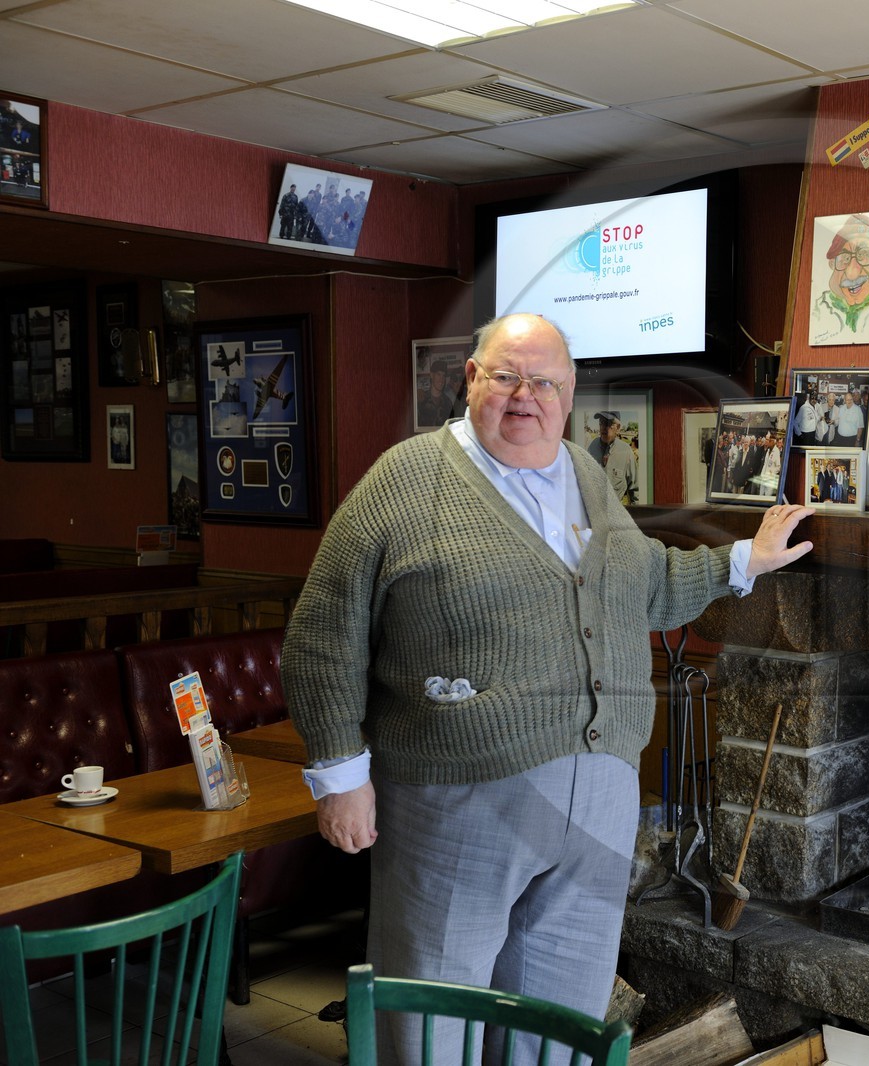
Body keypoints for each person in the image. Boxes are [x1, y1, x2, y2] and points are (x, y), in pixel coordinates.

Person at [281, 313, 815, 1066]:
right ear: (472, 379)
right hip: (457, 798)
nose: (524, 395)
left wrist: (742, 561)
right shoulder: (406, 480)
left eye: (545, 382)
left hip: (596, 802)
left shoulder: (583, 473)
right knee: (434, 1011)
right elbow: (322, 634)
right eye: (507, 376)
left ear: (568, 395)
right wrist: (340, 776)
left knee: (558, 1021)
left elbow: (646, 584)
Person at [587, 411, 639, 505]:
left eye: (609, 424)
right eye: (601, 423)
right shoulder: (592, 447)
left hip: (617, 512)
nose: (604, 427)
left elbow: (635, 491)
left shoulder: (626, 452)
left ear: (618, 428)